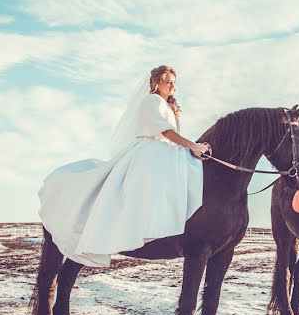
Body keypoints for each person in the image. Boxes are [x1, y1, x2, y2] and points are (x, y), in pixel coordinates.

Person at [38, 65, 210, 267]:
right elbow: (164, 131)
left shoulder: (168, 105)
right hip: (151, 149)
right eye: (167, 81)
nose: (172, 86)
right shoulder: (152, 100)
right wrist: (191, 145)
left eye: (174, 82)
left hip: (166, 148)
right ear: (156, 83)